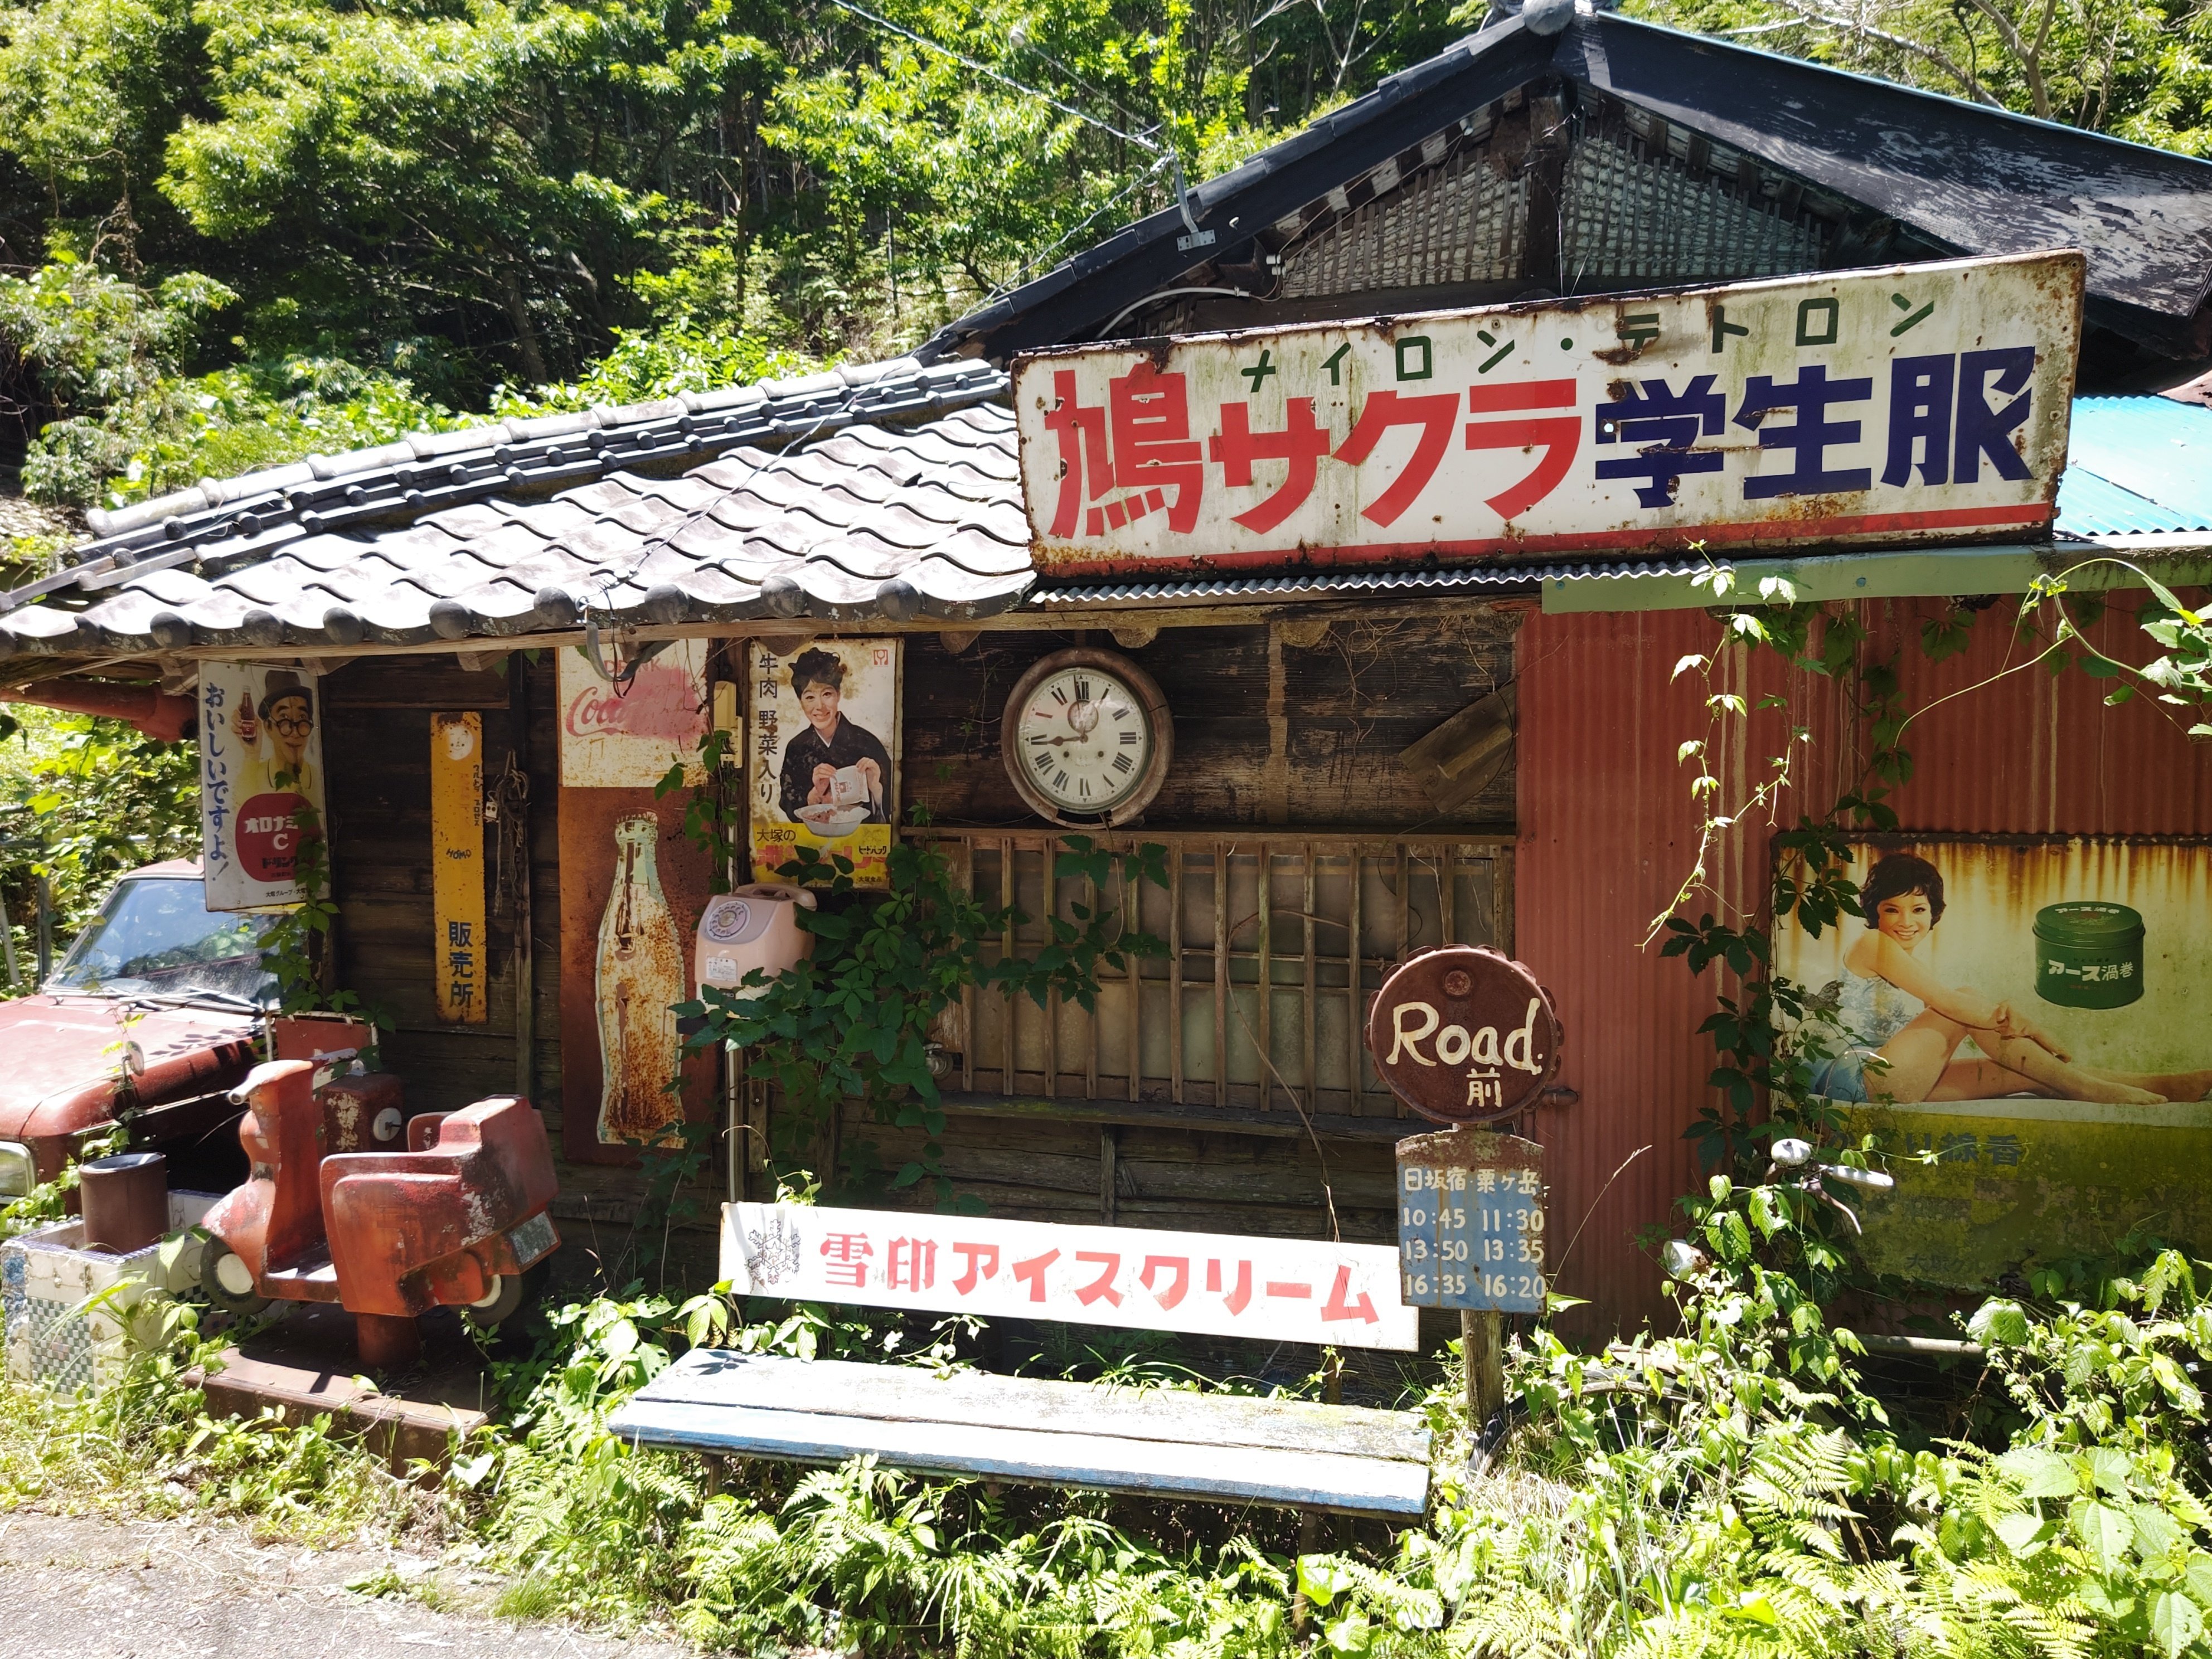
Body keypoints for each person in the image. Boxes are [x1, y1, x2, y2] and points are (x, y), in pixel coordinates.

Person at [1808, 853, 2212, 1107]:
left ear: (1934, 913)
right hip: (1857, 1081)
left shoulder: (1901, 959)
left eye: (1918, 909)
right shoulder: (1871, 943)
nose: (1906, 922)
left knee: (2027, 1073)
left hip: (1894, 1077)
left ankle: (2167, 1085)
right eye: (1892, 910)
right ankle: (2092, 1090)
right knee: (1961, 999)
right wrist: (2033, 1027)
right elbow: (1950, 1004)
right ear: (1875, 912)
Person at [775, 648, 892, 824]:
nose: (820, 707)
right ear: (801, 702)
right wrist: (815, 793)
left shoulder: (867, 743)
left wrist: (876, 788)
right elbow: (787, 802)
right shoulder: (796, 747)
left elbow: (891, 810)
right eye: (810, 697)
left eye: (827, 694)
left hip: (860, 841)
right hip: (811, 841)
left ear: (838, 695)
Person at [229, 670, 319, 799]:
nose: (294, 733)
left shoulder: (318, 777)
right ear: (268, 727)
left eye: (302, 718)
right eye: (284, 718)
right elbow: (240, 810)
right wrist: (252, 754)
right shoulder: (254, 776)